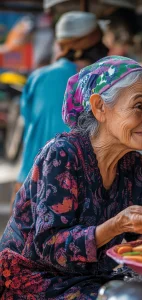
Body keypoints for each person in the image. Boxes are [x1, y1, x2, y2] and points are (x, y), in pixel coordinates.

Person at [0, 56, 142, 298]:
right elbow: (50, 248)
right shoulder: (62, 156)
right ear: (99, 108)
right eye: (138, 107)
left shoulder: (137, 168)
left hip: (91, 278)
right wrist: (115, 225)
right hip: (34, 278)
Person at [11, 11, 108, 208]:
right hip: (69, 188)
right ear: (91, 47)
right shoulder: (97, 81)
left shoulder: (37, 77)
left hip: (27, 182)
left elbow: (29, 120)